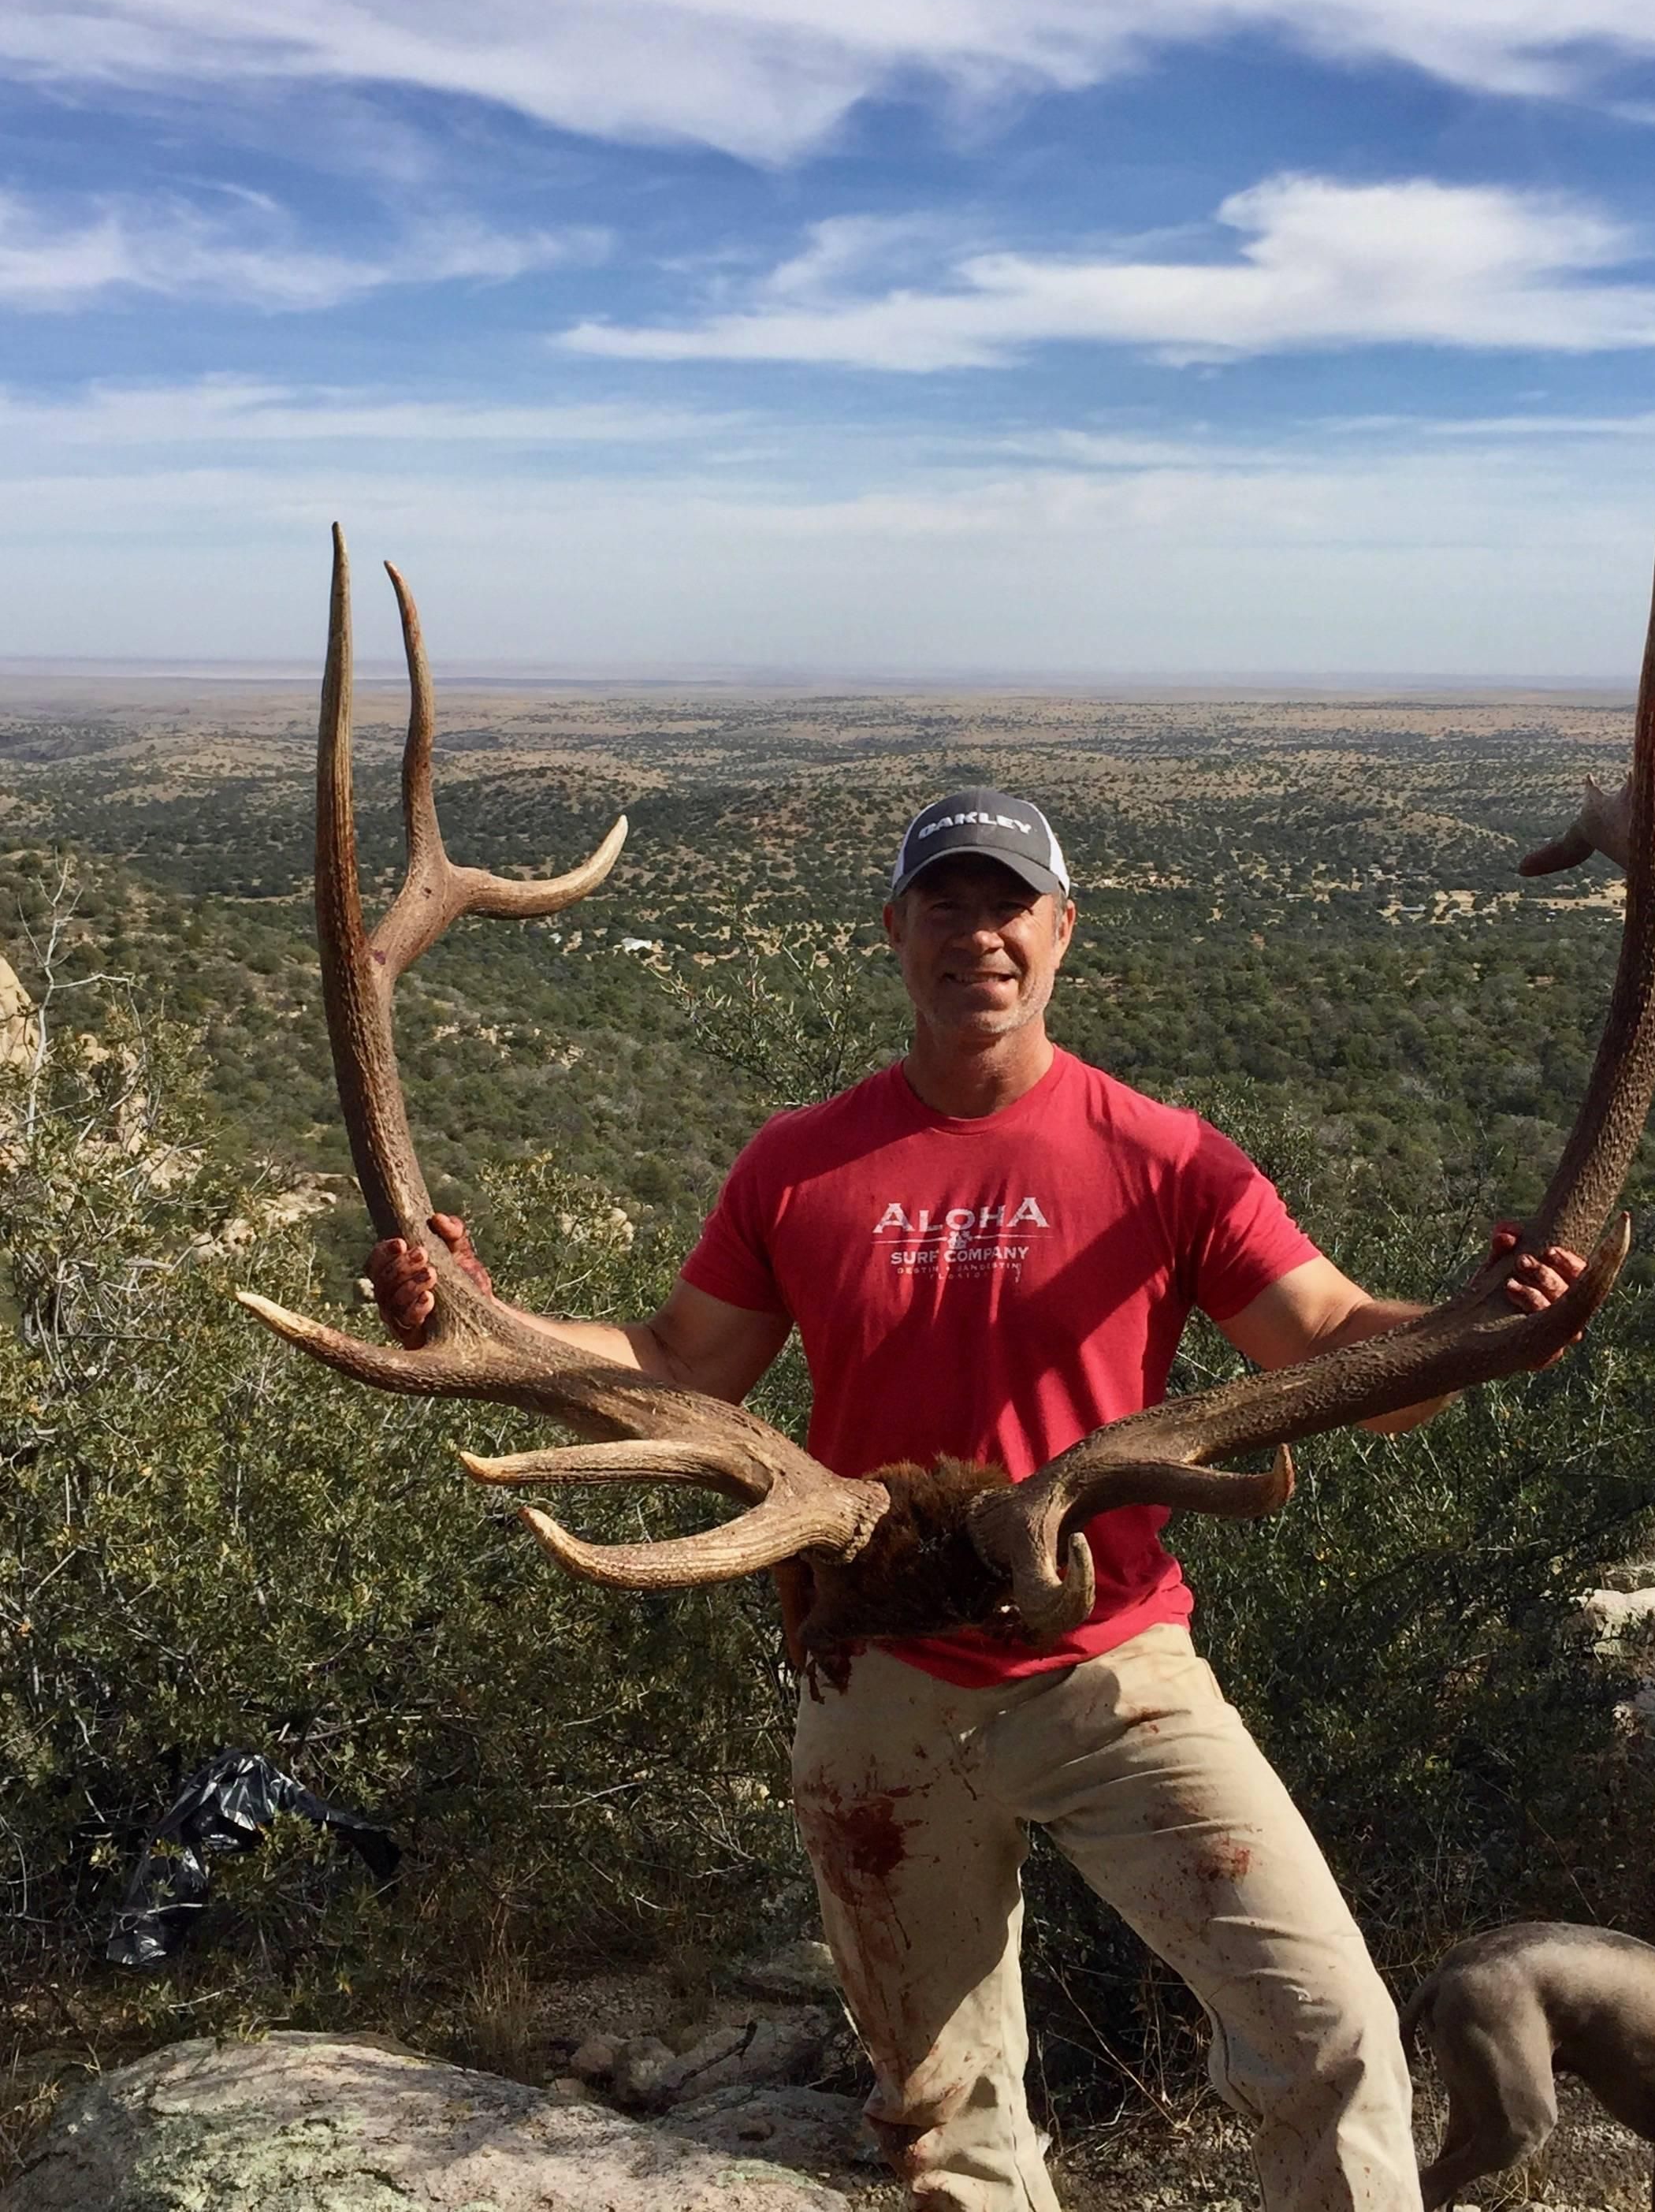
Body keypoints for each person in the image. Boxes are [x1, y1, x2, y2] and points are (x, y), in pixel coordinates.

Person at [369, 788, 1582, 2212]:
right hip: (876, 1683)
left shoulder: (1170, 1157)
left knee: (1335, 2042)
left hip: (1114, 1669)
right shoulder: (799, 1160)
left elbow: (1330, 1349)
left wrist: (1480, 1322)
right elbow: (676, 1362)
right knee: (947, 2123)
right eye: (945, 904)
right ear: (896, 933)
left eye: (1009, 904)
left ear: (1063, 930)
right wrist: (478, 1311)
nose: (979, 935)